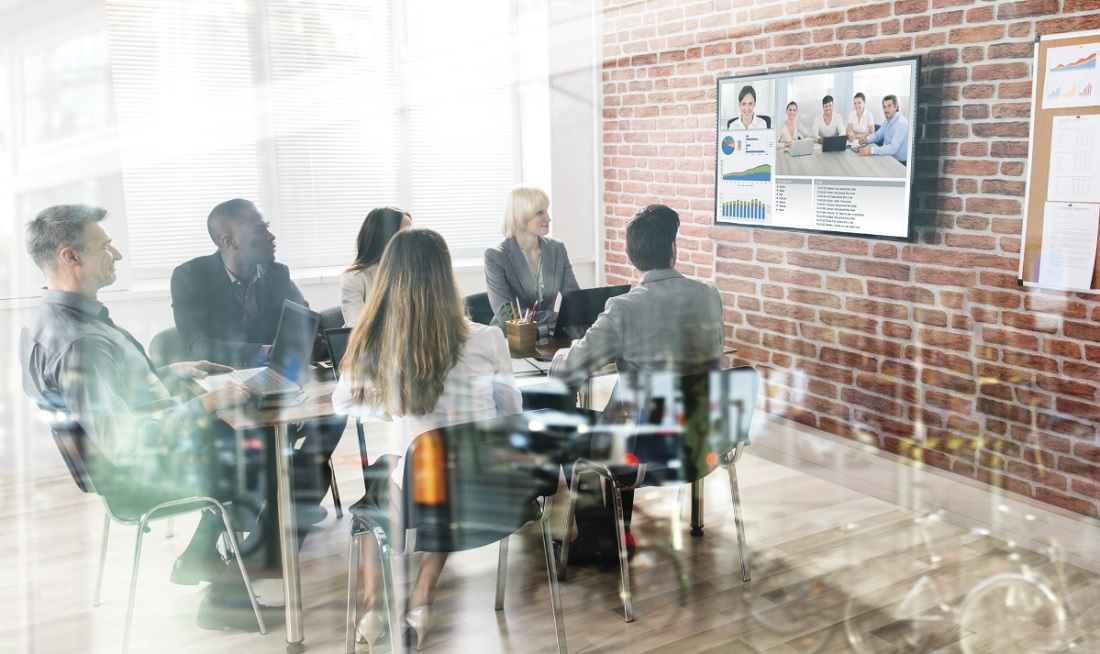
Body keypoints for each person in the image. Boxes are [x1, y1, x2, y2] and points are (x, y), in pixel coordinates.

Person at [20, 204, 280, 632]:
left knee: (256, 449)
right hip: (137, 477)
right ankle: (227, 598)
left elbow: (102, 403)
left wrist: (167, 374)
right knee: (271, 459)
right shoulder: (82, 343)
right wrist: (208, 404)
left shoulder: (47, 323)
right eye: (105, 246)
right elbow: (127, 443)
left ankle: (203, 552)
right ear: (71, 256)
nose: (117, 254)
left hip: (118, 466)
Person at [333, 228, 522, 650]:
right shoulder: (488, 338)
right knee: (443, 474)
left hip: (420, 493)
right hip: (491, 492)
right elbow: (512, 415)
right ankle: (422, 598)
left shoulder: (376, 346)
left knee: (382, 489)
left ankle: (371, 609)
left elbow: (343, 404)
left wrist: (388, 404)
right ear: (446, 275)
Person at [549, 204, 724, 562]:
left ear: (631, 256)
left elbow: (568, 373)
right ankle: (616, 529)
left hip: (645, 451)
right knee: (622, 417)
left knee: (570, 429)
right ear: (673, 248)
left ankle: (602, 542)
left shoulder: (624, 309)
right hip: (702, 440)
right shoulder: (709, 295)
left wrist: (557, 356)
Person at [170, 198, 342, 527]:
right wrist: (265, 351)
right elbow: (199, 345)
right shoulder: (190, 277)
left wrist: (314, 342)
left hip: (276, 383)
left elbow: (304, 319)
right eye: (260, 229)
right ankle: (283, 510)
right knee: (261, 435)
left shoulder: (277, 273)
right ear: (229, 241)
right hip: (223, 389)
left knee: (338, 412)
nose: (271, 236)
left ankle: (290, 503)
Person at [484, 184, 579, 329]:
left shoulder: (557, 249)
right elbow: (506, 314)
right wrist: (555, 317)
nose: (548, 218)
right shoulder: (496, 255)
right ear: (520, 215)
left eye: (547, 210)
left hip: (549, 335)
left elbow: (573, 298)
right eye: (540, 212)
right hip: (512, 338)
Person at [340, 207, 412, 327]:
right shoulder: (353, 277)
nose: (413, 239)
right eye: (405, 233)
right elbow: (357, 328)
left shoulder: (412, 271)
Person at [858, 94, 909, 164]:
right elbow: (877, 135)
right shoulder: (887, 121)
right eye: (884, 107)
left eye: (889, 106)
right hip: (889, 157)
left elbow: (893, 148)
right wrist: (866, 139)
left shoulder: (901, 124)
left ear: (896, 106)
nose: (886, 110)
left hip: (900, 163)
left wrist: (871, 150)